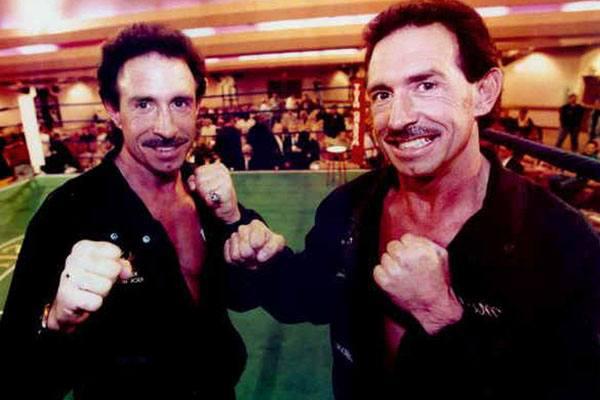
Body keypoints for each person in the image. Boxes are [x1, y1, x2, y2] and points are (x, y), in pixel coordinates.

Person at [224, 1, 600, 399]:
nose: (398, 118)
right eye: (383, 93)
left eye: (426, 85)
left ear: (484, 92)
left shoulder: (562, 241)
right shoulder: (348, 206)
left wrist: (443, 314)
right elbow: (311, 299)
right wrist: (265, 262)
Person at [0, 23, 260, 399]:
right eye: (143, 104)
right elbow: (16, 374)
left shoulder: (205, 195)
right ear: (113, 110)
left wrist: (242, 227)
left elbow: (243, 296)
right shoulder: (68, 212)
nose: (166, 128)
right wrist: (56, 320)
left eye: (179, 102)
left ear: (197, 105)